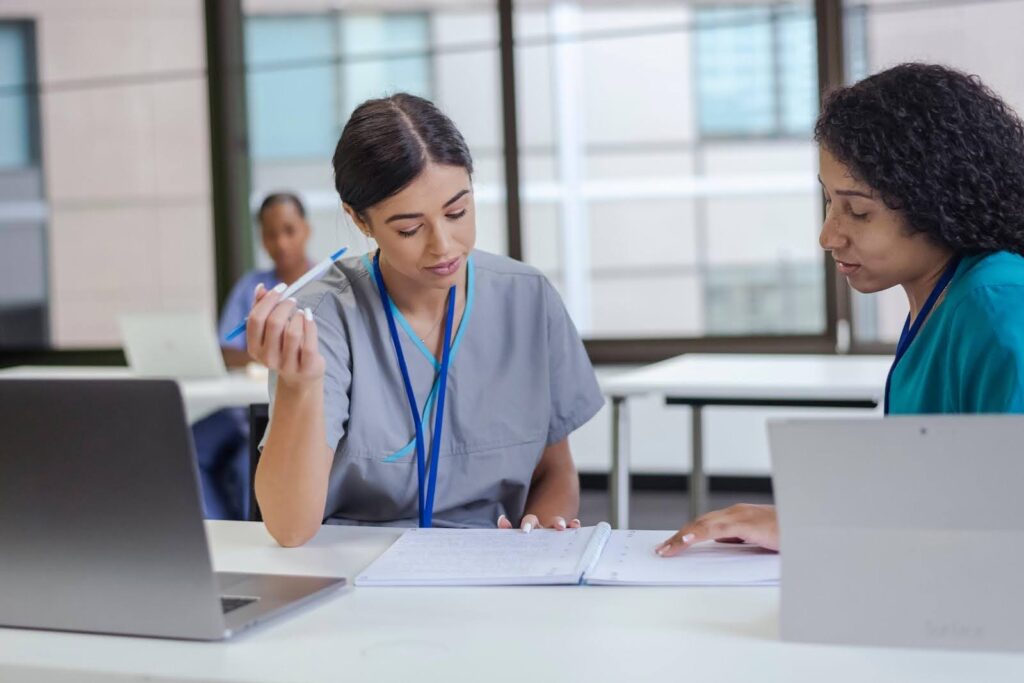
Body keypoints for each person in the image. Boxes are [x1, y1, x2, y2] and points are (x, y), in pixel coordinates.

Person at [657, 62, 1024, 557]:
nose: (828, 236)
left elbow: (1005, 522)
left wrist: (818, 525)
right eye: (829, 202)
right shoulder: (944, 299)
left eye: (859, 211)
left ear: (937, 201)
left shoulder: (998, 308)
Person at [246, 93, 603, 546]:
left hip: (492, 568)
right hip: (356, 575)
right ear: (359, 220)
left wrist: (540, 532)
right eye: (409, 229)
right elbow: (290, 528)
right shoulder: (323, 318)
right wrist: (299, 385)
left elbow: (555, 472)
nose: (444, 246)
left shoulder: (528, 299)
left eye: (457, 212)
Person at [192, 193, 313, 520]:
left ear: (307, 230)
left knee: (252, 461)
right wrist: (263, 356)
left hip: (291, 410)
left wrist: (261, 354)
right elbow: (224, 349)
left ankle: (250, 536)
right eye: (271, 234)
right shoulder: (251, 286)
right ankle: (214, 532)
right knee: (186, 443)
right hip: (240, 411)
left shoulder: (329, 284)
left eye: (289, 230)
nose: (281, 243)